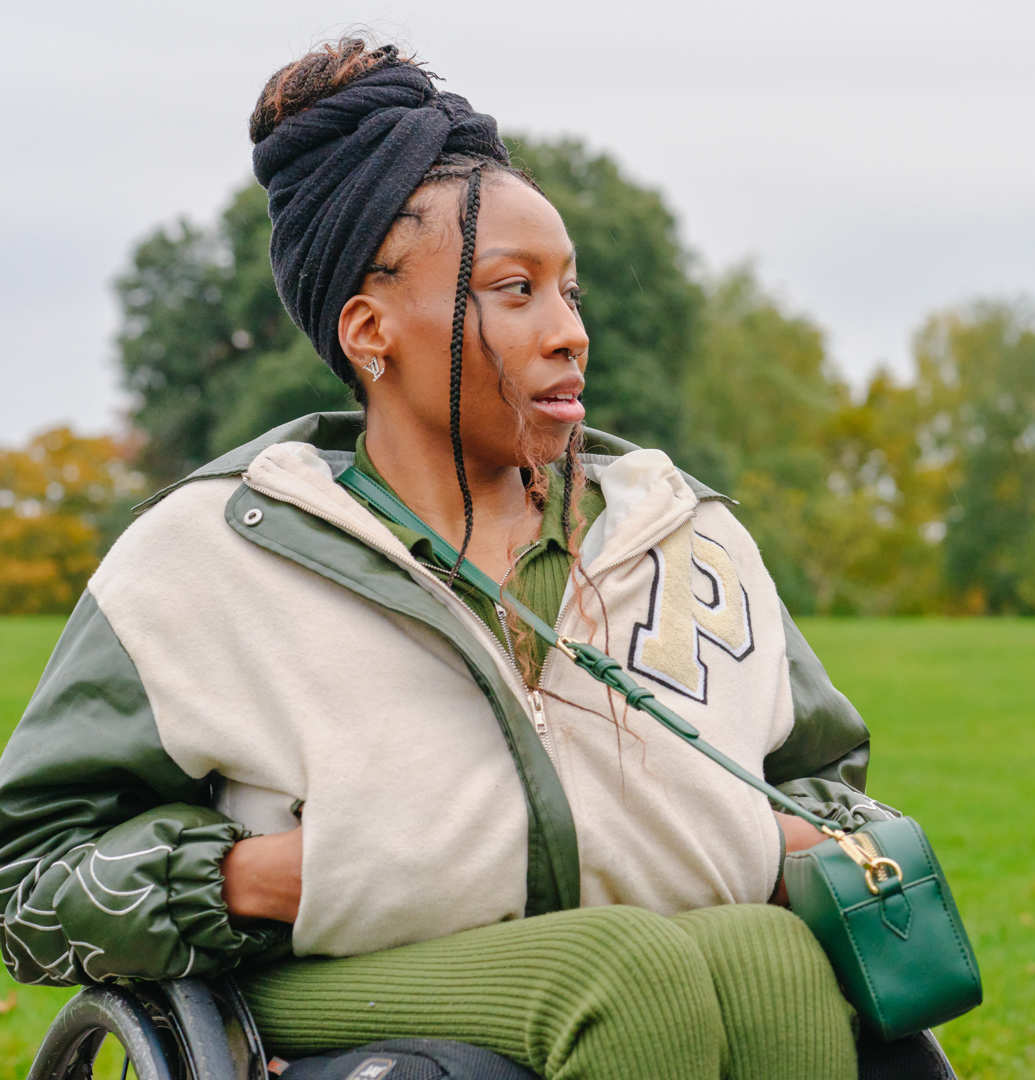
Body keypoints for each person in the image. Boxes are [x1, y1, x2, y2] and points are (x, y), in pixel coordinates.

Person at [0, 39, 887, 1080]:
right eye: (516, 291)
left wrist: (773, 834)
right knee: (624, 971)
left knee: (772, 959)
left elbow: (826, 780)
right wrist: (260, 879)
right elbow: (28, 877)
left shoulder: (679, 531)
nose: (569, 334)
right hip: (343, 976)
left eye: (572, 293)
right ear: (372, 330)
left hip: (666, 943)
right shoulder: (203, 558)